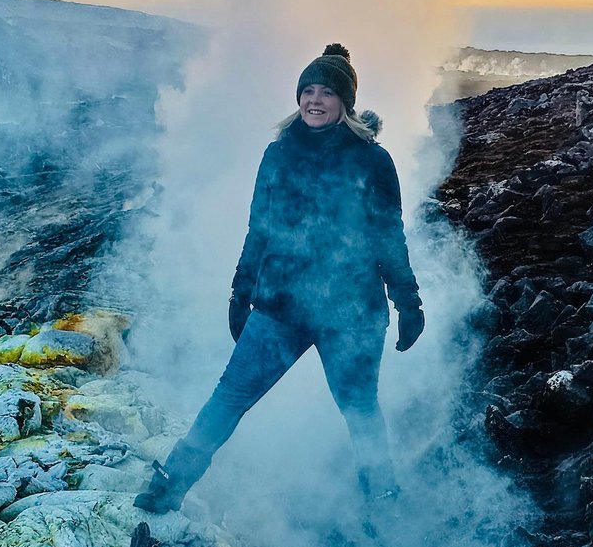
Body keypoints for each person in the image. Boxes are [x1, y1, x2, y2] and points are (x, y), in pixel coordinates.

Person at [135, 43, 424, 514]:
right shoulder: (278, 155)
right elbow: (260, 229)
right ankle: (171, 483)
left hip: (350, 314)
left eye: (326, 92)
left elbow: (389, 236)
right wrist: (240, 290)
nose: (314, 100)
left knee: (361, 411)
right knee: (229, 396)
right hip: (281, 307)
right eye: (307, 90)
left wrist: (408, 302)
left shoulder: (373, 161)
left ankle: (384, 499)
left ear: (344, 103)